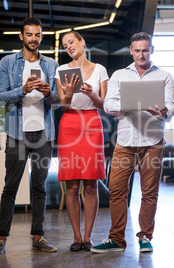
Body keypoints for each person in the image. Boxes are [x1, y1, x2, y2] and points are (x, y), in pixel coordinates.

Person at [90, 32, 174, 253]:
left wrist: (163, 111)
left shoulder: (164, 76)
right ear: (131, 50)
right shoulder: (119, 75)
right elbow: (108, 106)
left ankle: (145, 237)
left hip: (153, 141)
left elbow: (171, 108)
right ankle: (117, 239)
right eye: (137, 50)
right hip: (125, 141)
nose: (141, 54)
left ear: (152, 50)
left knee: (149, 192)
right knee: (116, 189)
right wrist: (134, 105)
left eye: (145, 50)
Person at [0, 17, 60, 255]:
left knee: (39, 187)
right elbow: (0, 96)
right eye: (29, 34)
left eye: (38, 35)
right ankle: (1, 238)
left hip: (43, 134)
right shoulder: (8, 62)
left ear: (41, 37)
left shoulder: (51, 64)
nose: (34, 39)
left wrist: (50, 92)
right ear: (21, 36)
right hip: (17, 134)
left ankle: (38, 237)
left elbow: (57, 103)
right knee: (11, 186)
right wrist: (23, 90)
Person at [55, 31, 108, 251]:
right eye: (65, 44)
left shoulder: (100, 70)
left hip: (92, 124)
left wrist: (92, 96)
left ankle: (88, 237)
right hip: (69, 124)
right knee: (71, 184)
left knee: (91, 183)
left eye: (71, 42)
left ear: (82, 42)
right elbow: (64, 106)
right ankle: (76, 237)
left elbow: (106, 105)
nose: (68, 46)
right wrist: (67, 93)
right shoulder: (61, 70)